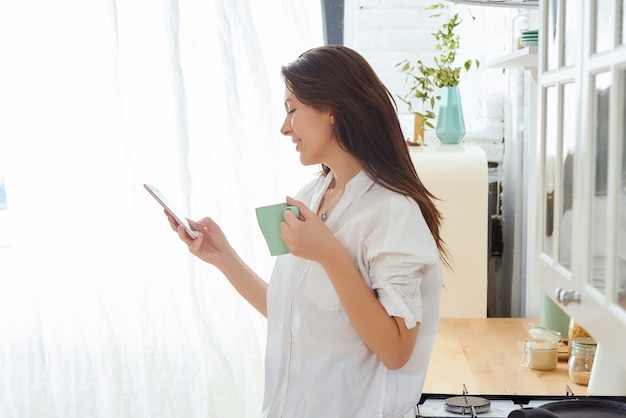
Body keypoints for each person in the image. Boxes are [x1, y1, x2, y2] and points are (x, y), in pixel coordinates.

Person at [167, 45, 447, 418]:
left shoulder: (393, 212)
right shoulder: (310, 196)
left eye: (292, 109)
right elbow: (290, 312)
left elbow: (396, 351)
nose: (284, 127)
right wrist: (224, 258)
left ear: (332, 109)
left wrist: (331, 255)